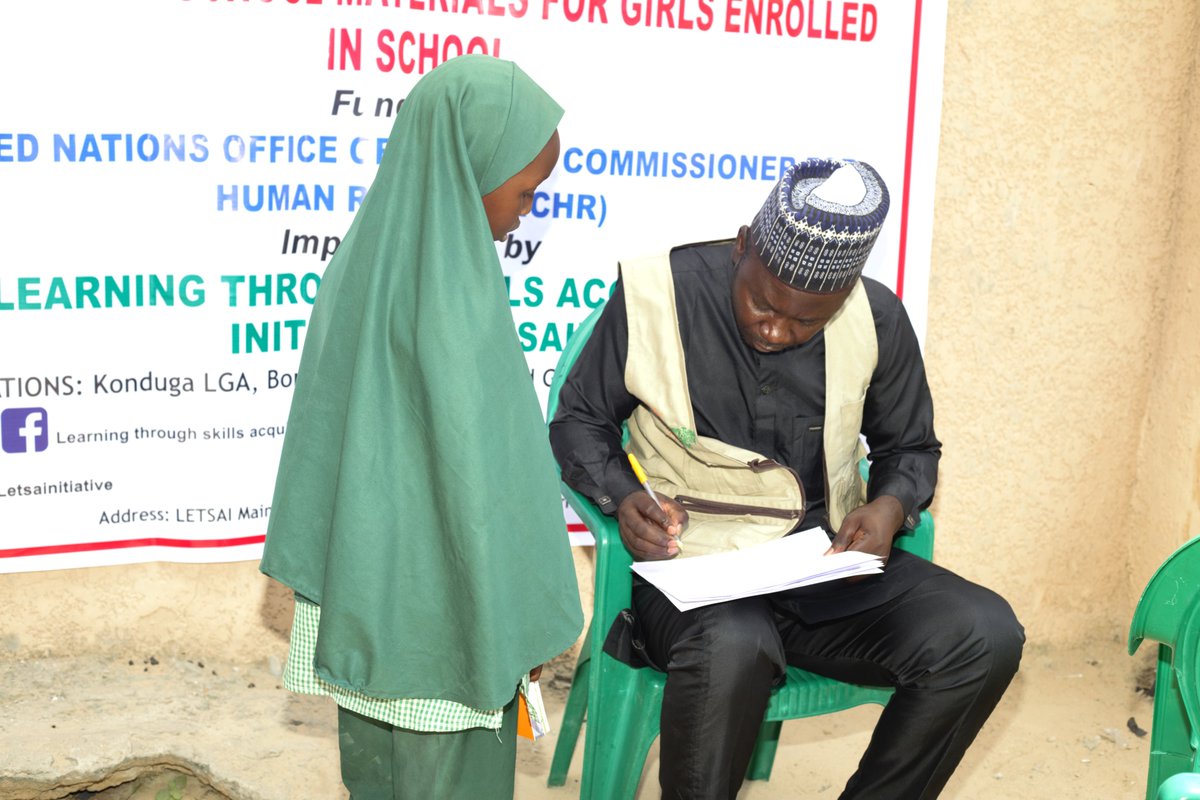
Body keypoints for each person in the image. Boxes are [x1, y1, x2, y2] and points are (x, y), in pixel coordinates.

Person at [549, 158, 1024, 799]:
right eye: (764, 304)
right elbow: (579, 418)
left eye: (807, 321)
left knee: (982, 635)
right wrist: (625, 495)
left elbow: (911, 447)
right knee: (734, 644)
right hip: (691, 573)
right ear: (744, 244)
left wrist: (889, 506)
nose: (778, 330)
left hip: (822, 567)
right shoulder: (658, 294)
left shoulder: (876, 317)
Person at [259, 55, 584, 799]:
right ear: (469, 167)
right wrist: (519, 612)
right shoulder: (456, 300)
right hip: (449, 621)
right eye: (527, 192)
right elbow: (489, 485)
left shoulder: (359, 269)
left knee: (377, 771)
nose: (527, 210)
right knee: (455, 777)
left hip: (368, 598)